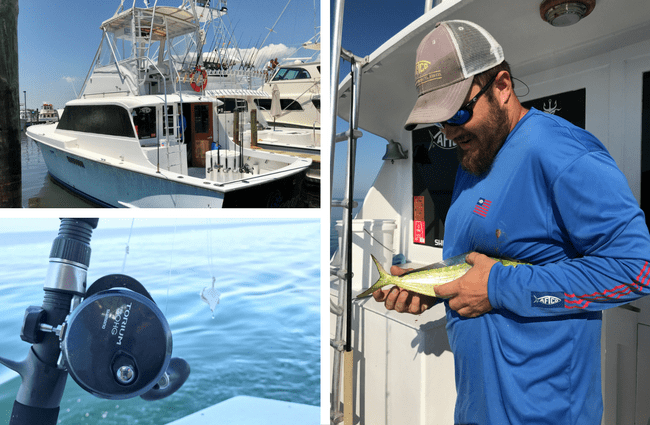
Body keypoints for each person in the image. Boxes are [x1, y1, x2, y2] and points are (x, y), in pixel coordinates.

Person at [371, 20, 650, 425]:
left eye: (459, 112)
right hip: (474, 409)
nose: (449, 133)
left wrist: (499, 287)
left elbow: (635, 269)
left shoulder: (561, 152)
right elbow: (475, 269)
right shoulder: (474, 156)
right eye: (440, 121)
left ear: (502, 87)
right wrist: (431, 286)